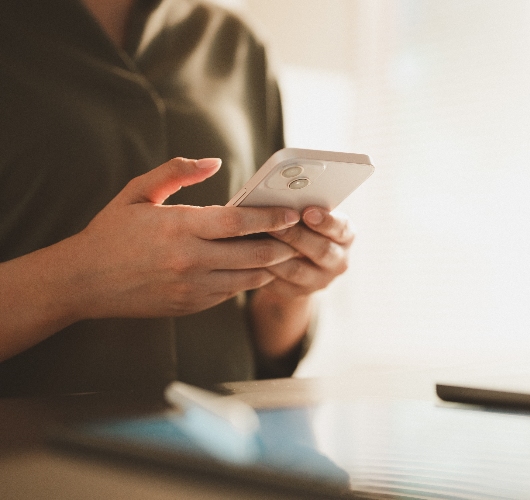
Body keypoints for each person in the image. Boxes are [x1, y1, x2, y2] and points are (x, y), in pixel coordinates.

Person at [0, 0, 354, 395]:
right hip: (28, 448)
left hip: (227, 442)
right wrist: (80, 277)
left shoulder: (236, 42)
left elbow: (265, 353)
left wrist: (289, 285)